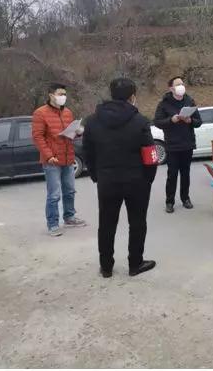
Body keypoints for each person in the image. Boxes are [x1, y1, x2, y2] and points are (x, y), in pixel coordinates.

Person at [83, 78, 159, 278]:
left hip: (107, 180)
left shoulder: (92, 121)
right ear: (132, 96)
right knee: (137, 223)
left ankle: (106, 266)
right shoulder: (140, 121)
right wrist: (148, 179)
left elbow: (88, 153)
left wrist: (96, 176)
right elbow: (151, 155)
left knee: (106, 224)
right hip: (137, 181)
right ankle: (135, 263)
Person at [32, 82, 86, 237]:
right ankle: (53, 224)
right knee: (54, 194)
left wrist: (78, 131)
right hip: (52, 161)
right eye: (60, 94)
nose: (63, 97)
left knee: (69, 190)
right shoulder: (40, 113)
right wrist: (49, 155)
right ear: (51, 95)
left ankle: (69, 217)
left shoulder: (67, 112)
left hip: (68, 157)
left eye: (64, 94)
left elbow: (70, 134)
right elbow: (37, 137)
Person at [154, 76, 202, 214]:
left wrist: (190, 121)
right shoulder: (164, 103)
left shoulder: (189, 101)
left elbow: (199, 122)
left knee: (186, 174)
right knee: (172, 175)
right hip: (172, 145)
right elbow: (157, 122)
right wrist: (171, 120)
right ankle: (169, 201)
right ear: (171, 88)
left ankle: (185, 198)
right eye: (178, 84)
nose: (181, 86)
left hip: (187, 144)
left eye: (182, 83)